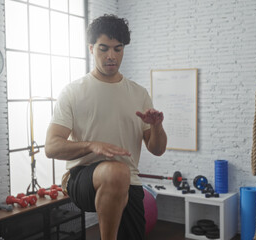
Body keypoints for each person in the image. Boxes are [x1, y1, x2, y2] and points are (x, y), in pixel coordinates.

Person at [45, 14, 167, 240]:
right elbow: (51, 147)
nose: (111, 56)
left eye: (117, 49)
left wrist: (157, 127)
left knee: (121, 174)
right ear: (91, 48)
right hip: (82, 177)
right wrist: (92, 146)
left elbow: (157, 149)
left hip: (128, 181)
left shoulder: (139, 93)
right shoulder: (73, 91)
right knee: (115, 170)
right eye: (103, 49)